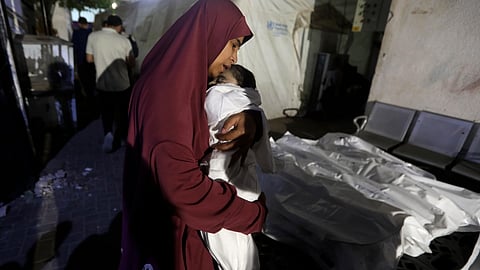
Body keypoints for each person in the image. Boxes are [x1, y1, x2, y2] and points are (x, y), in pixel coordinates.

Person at [119, 0, 267, 269]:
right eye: (233, 43)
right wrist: (252, 215)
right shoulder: (167, 94)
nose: (235, 57)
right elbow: (183, 189)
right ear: (211, 32)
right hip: (171, 238)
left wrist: (252, 118)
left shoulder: (177, 79)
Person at [201, 64, 274, 270]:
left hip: (228, 185)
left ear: (242, 88)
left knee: (233, 243)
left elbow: (212, 105)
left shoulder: (224, 97)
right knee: (238, 245)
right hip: (230, 187)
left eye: (222, 80)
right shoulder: (252, 112)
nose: (215, 84)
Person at [86, 15, 135, 153]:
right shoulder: (124, 40)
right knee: (122, 113)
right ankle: (123, 139)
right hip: (122, 84)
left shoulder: (93, 37)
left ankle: (108, 135)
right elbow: (131, 63)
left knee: (107, 112)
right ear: (118, 26)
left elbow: (89, 59)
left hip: (102, 84)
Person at [72, 17, 96, 98]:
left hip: (81, 59)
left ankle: (87, 94)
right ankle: (92, 93)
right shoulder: (91, 33)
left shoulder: (76, 33)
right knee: (91, 77)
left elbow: (74, 47)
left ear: (79, 24)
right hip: (91, 59)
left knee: (84, 78)